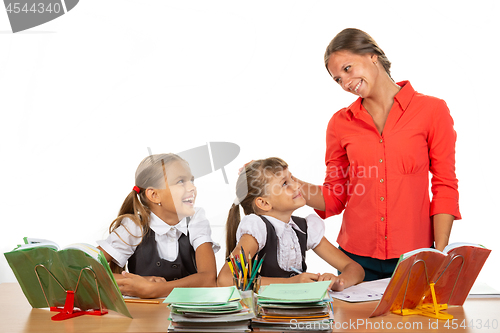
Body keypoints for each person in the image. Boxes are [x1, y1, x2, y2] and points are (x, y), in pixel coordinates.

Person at [295, 28, 461, 281]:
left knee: (415, 322)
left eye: (347, 69)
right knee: (354, 322)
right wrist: (283, 181)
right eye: (338, 79)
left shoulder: (432, 110)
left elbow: (444, 184)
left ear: (372, 56)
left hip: (415, 256)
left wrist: (439, 251)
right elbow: (334, 196)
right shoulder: (340, 123)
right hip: (355, 261)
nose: (346, 83)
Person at [217, 157, 364, 291]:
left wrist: (338, 281)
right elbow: (225, 279)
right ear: (264, 203)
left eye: (292, 178)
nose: (296, 185)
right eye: (285, 183)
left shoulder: (304, 228)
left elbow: (356, 269)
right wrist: (292, 282)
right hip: (264, 315)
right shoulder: (258, 230)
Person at [97, 153, 219, 298]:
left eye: (191, 180)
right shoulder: (134, 226)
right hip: (144, 317)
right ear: (154, 195)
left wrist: (154, 289)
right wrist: (140, 282)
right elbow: (85, 270)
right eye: (181, 181)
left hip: (188, 314)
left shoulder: (195, 219)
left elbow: (209, 278)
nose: (192, 187)